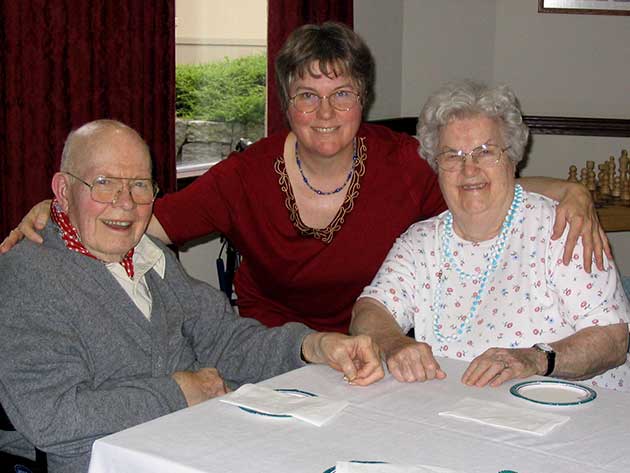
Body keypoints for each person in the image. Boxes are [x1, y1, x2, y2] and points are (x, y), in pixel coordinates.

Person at [0, 23, 609, 334]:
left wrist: (574, 190)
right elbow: (133, 219)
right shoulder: (243, 175)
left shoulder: (402, 164)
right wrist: (56, 212)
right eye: (307, 95)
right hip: (271, 352)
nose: (324, 112)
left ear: (363, 99)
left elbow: (477, 171)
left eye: (341, 93)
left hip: (381, 349)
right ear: (285, 104)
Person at [0, 120, 384, 473]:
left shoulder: (150, 256)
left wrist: (311, 345)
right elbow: (53, 417)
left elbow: (225, 339)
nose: (126, 201)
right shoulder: (28, 277)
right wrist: (178, 392)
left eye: (139, 184)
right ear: (63, 192)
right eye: (103, 182)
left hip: (199, 442)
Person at [351, 80, 630, 391]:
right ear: (436, 165)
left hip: (574, 409)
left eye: (485, 152)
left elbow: (612, 339)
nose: (469, 169)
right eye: (452, 156)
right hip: (461, 412)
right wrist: (393, 343)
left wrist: (535, 359)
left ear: (513, 159)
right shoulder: (420, 243)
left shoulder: (562, 227)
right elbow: (369, 311)